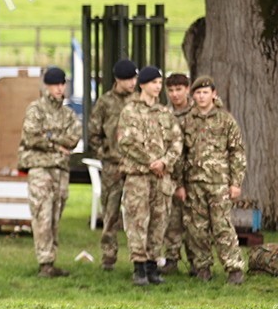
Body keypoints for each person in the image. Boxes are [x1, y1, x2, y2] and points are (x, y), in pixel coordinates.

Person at [175, 75, 246, 284]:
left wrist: (236, 183)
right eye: (197, 93)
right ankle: (202, 267)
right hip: (194, 183)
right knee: (197, 228)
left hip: (219, 184)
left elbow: (237, 152)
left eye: (205, 92)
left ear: (213, 94)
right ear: (193, 95)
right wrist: (179, 184)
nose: (201, 96)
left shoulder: (226, 120)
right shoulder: (187, 121)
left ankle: (234, 268)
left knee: (222, 226)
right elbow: (180, 154)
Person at [117, 65, 182, 286]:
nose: (158, 87)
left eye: (159, 83)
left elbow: (177, 142)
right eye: (154, 82)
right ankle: (139, 267)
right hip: (138, 177)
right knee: (138, 221)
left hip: (161, 177)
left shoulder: (165, 113)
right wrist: (150, 161)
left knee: (159, 221)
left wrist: (164, 161)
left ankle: (153, 266)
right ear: (143, 84)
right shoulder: (130, 110)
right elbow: (126, 141)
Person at [17, 66, 82, 277]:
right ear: (47, 85)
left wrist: (48, 136)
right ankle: (45, 263)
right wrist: (55, 144)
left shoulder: (68, 114)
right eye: (55, 84)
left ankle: (51, 261)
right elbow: (31, 137)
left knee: (55, 215)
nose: (59, 88)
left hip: (61, 171)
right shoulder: (36, 109)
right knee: (42, 214)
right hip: (40, 169)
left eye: (62, 84)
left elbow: (73, 139)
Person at [87, 58, 139, 270]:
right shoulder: (105, 102)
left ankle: (140, 257)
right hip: (113, 165)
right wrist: (104, 154)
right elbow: (93, 132)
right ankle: (109, 256)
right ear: (118, 79)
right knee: (110, 212)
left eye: (135, 78)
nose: (132, 83)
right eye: (128, 79)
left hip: (136, 165)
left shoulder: (139, 100)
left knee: (138, 211)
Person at [160, 72, 193, 273]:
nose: (174, 94)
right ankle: (172, 259)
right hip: (172, 174)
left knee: (194, 222)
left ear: (187, 89)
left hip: (196, 173)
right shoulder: (165, 114)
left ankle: (196, 261)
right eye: (171, 90)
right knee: (172, 220)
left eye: (179, 89)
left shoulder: (197, 112)